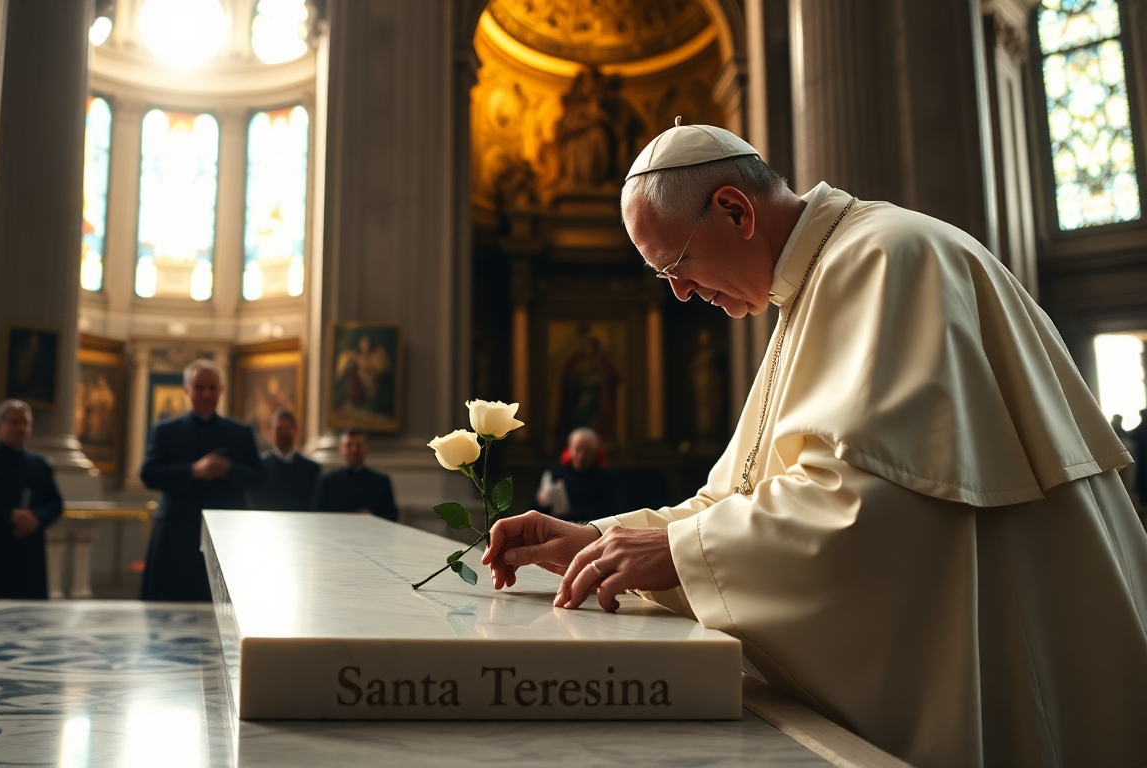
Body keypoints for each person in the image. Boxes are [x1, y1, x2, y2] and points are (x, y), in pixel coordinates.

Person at [482, 124, 1147, 768]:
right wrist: (592, 541)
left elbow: (872, 512)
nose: (681, 293)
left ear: (735, 211)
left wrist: (676, 553)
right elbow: (736, 499)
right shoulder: (812, 290)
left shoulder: (885, 259)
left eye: (676, 265)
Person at [140, 360, 265, 601]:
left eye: (212, 388)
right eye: (199, 388)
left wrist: (228, 469)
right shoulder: (165, 431)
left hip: (229, 532)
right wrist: (193, 471)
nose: (206, 394)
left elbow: (259, 478)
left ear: (221, 390)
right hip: (176, 533)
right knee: (169, 609)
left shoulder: (240, 432)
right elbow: (149, 474)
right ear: (187, 390)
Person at [0, 401, 64, 600]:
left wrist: (36, 518)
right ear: (0, 426)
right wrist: (11, 516)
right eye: (15, 422)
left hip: (29, 559)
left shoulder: (40, 465)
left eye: (25, 423)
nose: (21, 428)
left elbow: (56, 503)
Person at [532, 428, 623, 524]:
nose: (581, 455)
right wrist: (541, 501)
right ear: (570, 449)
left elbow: (612, 511)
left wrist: (573, 512)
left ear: (594, 453)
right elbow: (534, 507)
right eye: (578, 449)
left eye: (587, 451)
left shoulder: (608, 479)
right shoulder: (555, 474)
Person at [311, 428, 397, 520]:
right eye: (348, 446)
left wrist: (373, 516)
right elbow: (317, 514)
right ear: (341, 450)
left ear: (366, 449)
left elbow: (391, 515)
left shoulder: (381, 482)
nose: (354, 450)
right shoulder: (326, 481)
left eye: (359, 445)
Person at [252, 409, 320, 512]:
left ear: (295, 431)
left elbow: (314, 504)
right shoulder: (260, 466)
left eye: (287, 429)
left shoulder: (311, 469)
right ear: (271, 433)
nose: (283, 434)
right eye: (278, 429)